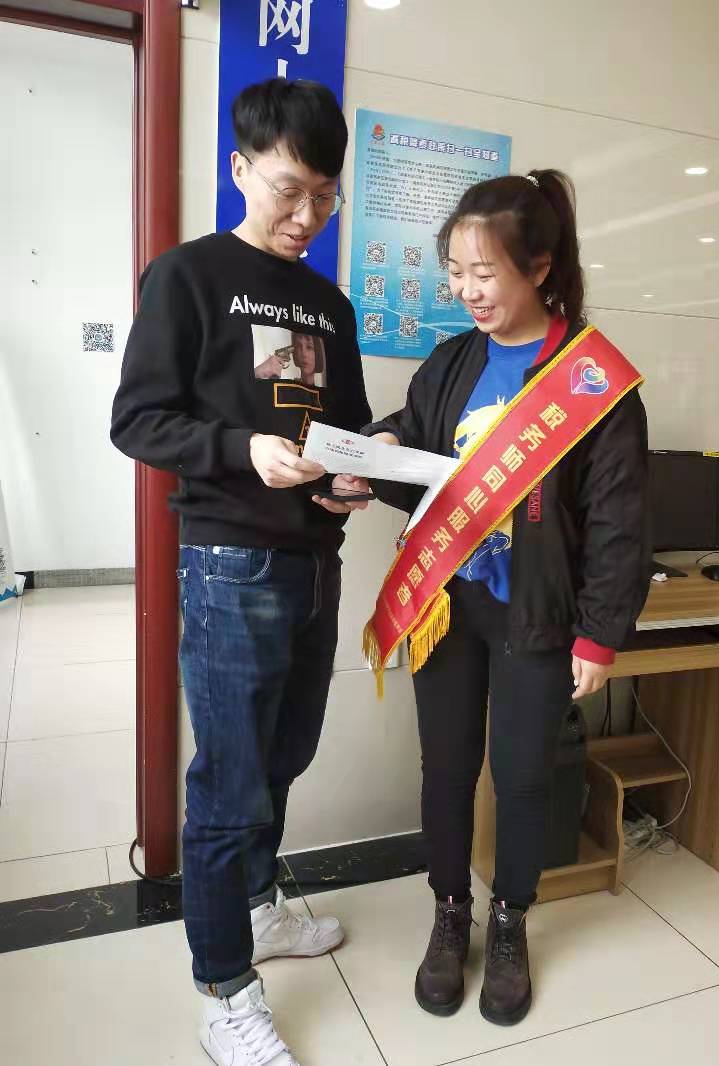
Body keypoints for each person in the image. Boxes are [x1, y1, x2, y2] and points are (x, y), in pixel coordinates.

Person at [111, 78, 371, 1066]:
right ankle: (225, 991)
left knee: (281, 758)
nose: (307, 215)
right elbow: (139, 420)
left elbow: (345, 427)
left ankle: (257, 908)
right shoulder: (187, 276)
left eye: (324, 197)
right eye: (289, 190)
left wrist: (348, 480)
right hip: (229, 563)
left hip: (314, 564)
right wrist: (239, 448)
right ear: (240, 169)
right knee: (228, 786)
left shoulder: (331, 305)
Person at [363, 170, 650, 1026]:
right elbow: (415, 447)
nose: (466, 290)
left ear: (540, 267)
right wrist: (369, 457)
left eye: (483, 272)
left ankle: (510, 919)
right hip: (447, 606)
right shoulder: (454, 360)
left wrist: (600, 635)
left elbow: (619, 521)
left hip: (538, 615)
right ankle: (451, 913)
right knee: (447, 769)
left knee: (523, 778)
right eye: (455, 271)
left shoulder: (591, 379)